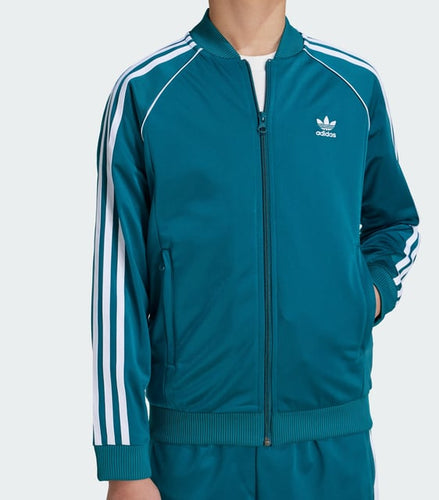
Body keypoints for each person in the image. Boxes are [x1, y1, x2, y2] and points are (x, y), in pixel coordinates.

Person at [91, 0, 420, 498]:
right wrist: (124, 464)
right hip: (191, 451)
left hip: (333, 443)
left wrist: (365, 296)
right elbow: (117, 284)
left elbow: (396, 222)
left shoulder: (353, 86)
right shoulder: (147, 91)